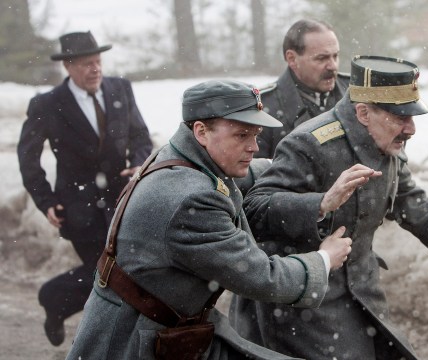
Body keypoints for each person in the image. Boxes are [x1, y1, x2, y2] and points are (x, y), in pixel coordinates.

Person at [230, 55, 428, 360]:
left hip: (362, 290)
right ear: (363, 112)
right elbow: (256, 209)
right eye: (401, 117)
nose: (411, 129)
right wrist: (321, 203)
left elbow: (408, 199)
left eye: (413, 117)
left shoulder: (388, 142)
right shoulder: (309, 144)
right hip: (305, 302)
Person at [65, 79, 353, 360]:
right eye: (242, 135)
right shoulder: (192, 200)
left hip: (157, 327)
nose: (254, 147)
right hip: (137, 342)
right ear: (202, 132)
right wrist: (324, 259)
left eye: (256, 135)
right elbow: (262, 277)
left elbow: (241, 173)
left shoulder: (179, 156)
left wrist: (300, 167)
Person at [17, 31, 153, 346]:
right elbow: (28, 157)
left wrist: (139, 163)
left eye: (98, 61)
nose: (95, 69)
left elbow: (141, 136)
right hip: (79, 208)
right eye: (86, 64)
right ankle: (99, 333)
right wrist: (45, 200)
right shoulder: (48, 104)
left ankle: (55, 298)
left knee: (118, 275)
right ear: (68, 66)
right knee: (111, 278)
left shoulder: (120, 88)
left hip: (122, 201)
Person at [255, 18, 350, 159]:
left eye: (335, 56)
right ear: (292, 59)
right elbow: (255, 174)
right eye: (322, 58)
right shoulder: (262, 108)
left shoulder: (356, 92)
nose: (333, 66)